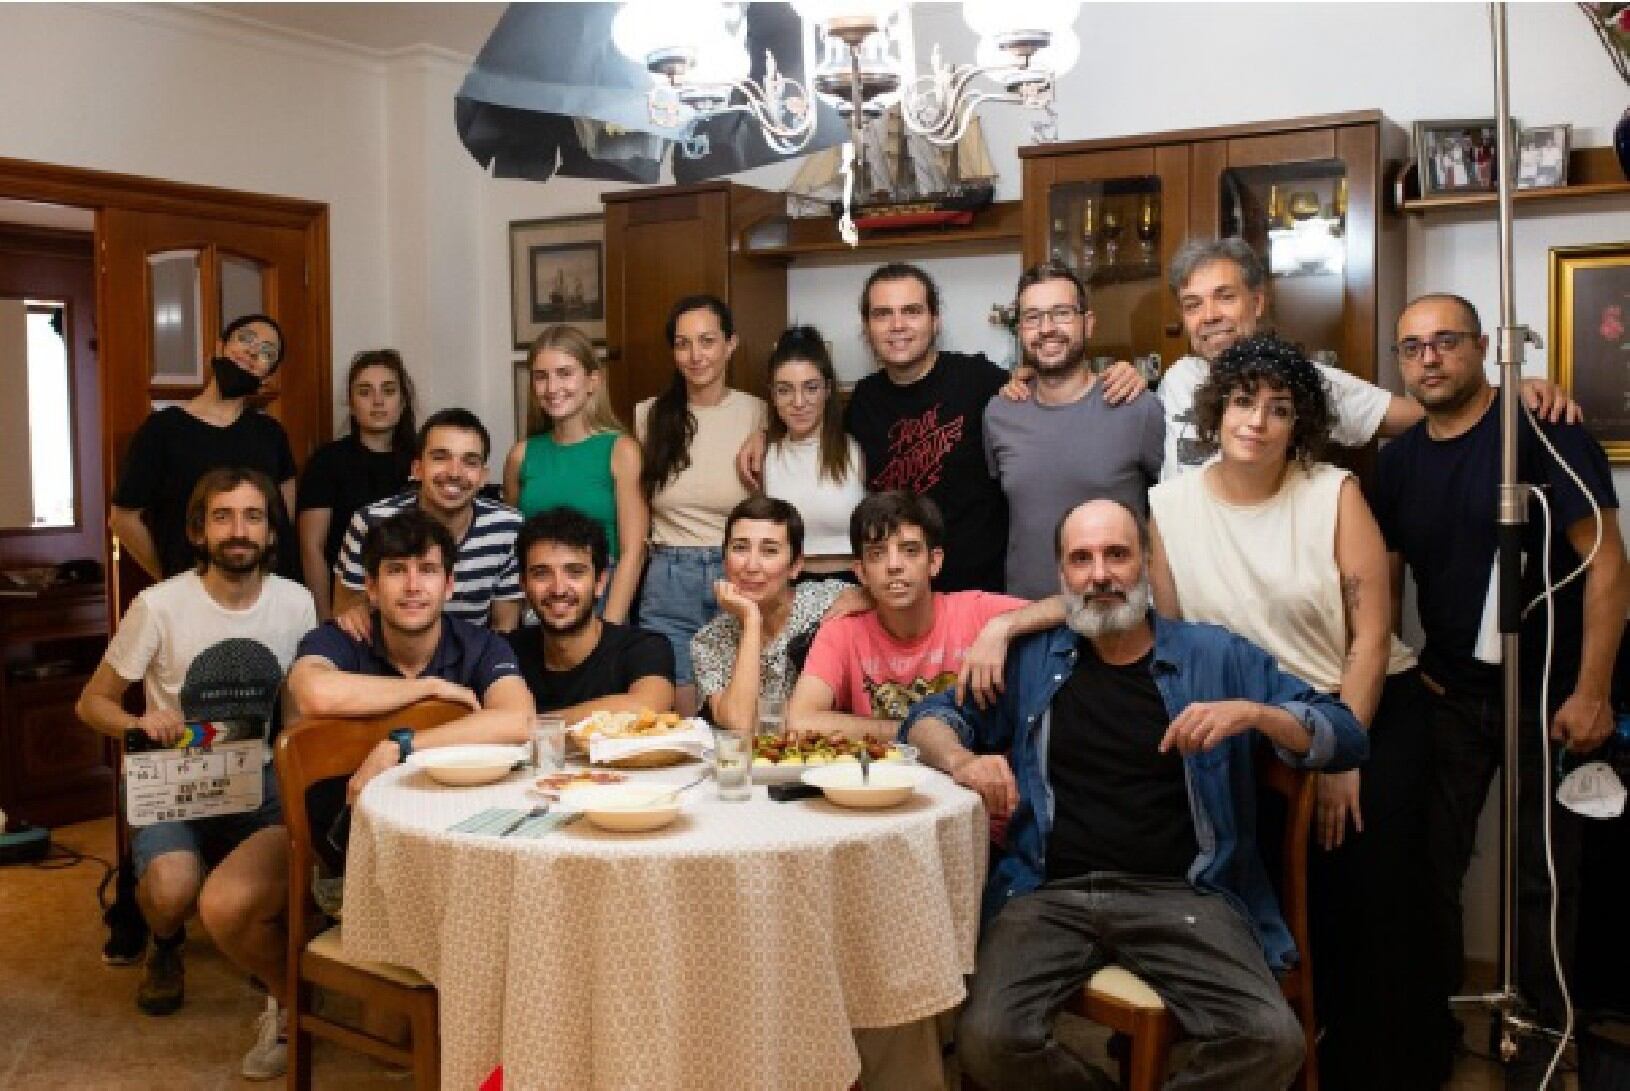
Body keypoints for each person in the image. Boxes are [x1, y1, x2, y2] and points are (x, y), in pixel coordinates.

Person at [904, 498, 1368, 1091]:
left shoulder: (1213, 655)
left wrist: (1257, 715)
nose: (1100, 574)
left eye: (1117, 555)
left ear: (1145, 565)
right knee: (988, 1042)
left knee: (1272, 1041)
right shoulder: (1031, 659)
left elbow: (1347, 734)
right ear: (1061, 577)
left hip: (1184, 894)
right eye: (1082, 559)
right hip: (1049, 892)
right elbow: (926, 721)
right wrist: (963, 760)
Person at [1146, 332, 1441, 1087]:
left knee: (1369, 889)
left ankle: (1376, 1067)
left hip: (1360, 704)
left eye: (1279, 409)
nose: (1257, 420)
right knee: (1255, 894)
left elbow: (1372, 637)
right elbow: (1176, 642)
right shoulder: (1169, 508)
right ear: (1216, 411)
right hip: (1246, 723)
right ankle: (1270, 1051)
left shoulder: (1331, 493)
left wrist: (1341, 745)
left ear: (1300, 423)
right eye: (1243, 401)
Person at [1370, 293, 1630, 1088]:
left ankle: (1548, 1046)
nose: (1429, 359)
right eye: (1411, 347)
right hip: (1448, 694)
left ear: (1483, 347)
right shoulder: (1399, 463)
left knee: (1544, 878)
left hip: (1546, 697)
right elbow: (1381, 586)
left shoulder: (1542, 433)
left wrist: (1593, 691)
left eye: (1445, 341)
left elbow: (1609, 566)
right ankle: (1435, 1024)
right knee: (1429, 869)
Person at [75, 469, 315, 1080]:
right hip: (172, 780)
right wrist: (138, 722)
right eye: (223, 517)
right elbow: (91, 703)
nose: (239, 531)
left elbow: (294, 702)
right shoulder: (158, 605)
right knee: (174, 890)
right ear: (199, 531)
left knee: (298, 880)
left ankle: (269, 972)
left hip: (258, 777)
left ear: (270, 530)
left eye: (253, 516)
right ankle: (164, 941)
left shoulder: (297, 602)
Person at [1157, 237, 1578, 480]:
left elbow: (1425, 413)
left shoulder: (1304, 379)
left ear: (1258, 301)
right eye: (1193, 304)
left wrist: (1508, 394)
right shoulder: (1175, 379)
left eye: (1224, 297)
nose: (1209, 316)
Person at [289, 508, 534, 798]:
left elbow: (520, 721)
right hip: (350, 822)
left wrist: (404, 747)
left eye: (428, 570)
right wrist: (427, 687)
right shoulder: (341, 638)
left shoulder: (481, 645)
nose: (413, 587)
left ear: (449, 585)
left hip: (452, 816)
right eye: (396, 570)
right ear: (371, 587)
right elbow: (311, 692)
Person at [985, 261, 1164, 598]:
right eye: (1033, 317)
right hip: (1026, 619)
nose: (1047, 328)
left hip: (1114, 611)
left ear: (1088, 324)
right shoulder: (999, 413)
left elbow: (1171, 516)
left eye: (1062, 313)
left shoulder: (1135, 406)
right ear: (1020, 330)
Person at [787, 491, 1028, 738]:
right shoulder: (842, 629)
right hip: (880, 775)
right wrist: (914, 732)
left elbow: (1067, 607)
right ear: (861, 572)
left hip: (969, 773)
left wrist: (1003, 626)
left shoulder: (974, 612)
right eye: (877, 554)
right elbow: (801, 720)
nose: (894, 565)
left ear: (934, 562)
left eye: (910, 550)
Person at [636, 294, 766, 711]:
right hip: (669, 577)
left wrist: (766, 435)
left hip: (740, 573)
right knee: (678, 712)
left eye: (707, 341)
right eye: (682, 343)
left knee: (738, 707)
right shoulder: (649, 416)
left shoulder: (759, 413)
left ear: (730, 344)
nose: (695, 355)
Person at [110, 313, 299, 583]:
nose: (252, 351)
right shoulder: (162, 430)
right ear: (219, 347)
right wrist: (173, 580)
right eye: (245, 339)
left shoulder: (271, 434)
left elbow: (282, 517)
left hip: (265, 591)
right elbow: (122, 518)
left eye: (267, 352)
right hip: (192, 596)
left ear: (268, 376)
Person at [502, 325, 647, 623]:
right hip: (539, 603)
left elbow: (633, 551)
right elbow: (512, 544)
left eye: (565, 373)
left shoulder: (621, 451)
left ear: (592, 380)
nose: (552, 387)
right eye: (541, 377)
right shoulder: (521, 455)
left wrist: (610, 627)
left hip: (600, 599)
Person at [333, 408, 523, 632]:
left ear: (483, 477)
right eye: (440, 457)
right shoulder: (372, 521)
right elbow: (346, 612)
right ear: (417, 469)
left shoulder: (508, 527)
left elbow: (504, 628)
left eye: (470, 462)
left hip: (473, 661)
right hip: (384, 661)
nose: (454, 472)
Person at [691, 496, 867, 735]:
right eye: (740, 548)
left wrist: (868, 596)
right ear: (724, 560)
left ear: (795, 566)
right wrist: (751, 620)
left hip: (831, 759)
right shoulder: (709, 640)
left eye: (769, 551)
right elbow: (738, 722)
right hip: (754, 767)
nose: (751, 566)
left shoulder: (830, 602)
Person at [505, 507, 676, 719]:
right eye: (542, 574)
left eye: (575, 572)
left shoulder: (643, 647)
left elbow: (648, 705)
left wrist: (533, 726)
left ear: (600, 582)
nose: (558, 589)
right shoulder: (504, 651)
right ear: (523, 584)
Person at [297, 349, 416, 620]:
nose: (378, 401)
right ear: (351, 403)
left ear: (403, 400)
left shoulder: (421, 461)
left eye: (388, 390)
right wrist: (325, 618)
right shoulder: (327, 462)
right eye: (365, 391)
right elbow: (311, 548)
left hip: (409, 597)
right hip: (347, 601)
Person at [760, 325, 867, 577]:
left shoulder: (856, 448)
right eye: (785, 390)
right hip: (787, 587)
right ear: (773, 395)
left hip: (854, 586)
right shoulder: (764, 457)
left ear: (827, 390)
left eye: (811, 388)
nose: (798, 402)